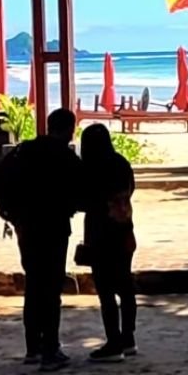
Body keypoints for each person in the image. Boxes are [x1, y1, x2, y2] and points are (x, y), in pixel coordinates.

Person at [0, 107, 83, 371]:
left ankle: (32, 347)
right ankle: (51, 349)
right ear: (69, 130)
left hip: (26, 227)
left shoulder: (24, 150)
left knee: (33, 284)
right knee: (51, 287)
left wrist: (9, 213)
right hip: (54, 228)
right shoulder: (65, 157)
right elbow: (82, 189)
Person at [79, 123, 138, 362]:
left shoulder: (90, 169)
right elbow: (130, 189)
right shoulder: (121, 163)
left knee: (105, 290)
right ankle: (128, 338)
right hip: (124, 228)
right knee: (125, 286)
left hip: (100, 233)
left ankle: (113, 342)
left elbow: (83, 200)